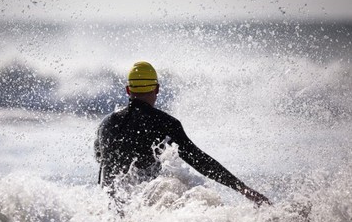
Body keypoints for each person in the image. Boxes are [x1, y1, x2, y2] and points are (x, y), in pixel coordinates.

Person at [94, 61, 270, 206]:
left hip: (111, 210)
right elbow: (199, 160)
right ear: (156, 89)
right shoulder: (165, 123)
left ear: (128, 90)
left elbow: (100, 159)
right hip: (145, 205)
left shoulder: (106, 124)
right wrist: (242, 188)